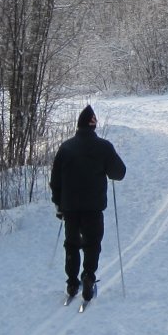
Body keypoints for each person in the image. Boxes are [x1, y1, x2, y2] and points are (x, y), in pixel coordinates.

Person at [49, 104, 126, 305]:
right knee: (92, 243)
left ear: (79, 125)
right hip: (93, 206)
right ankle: (89, 276)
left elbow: (55, 180)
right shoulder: (104, 147)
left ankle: (72, 282)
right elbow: (119, 173)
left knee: (72, 244)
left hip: (70, 207)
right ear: (93, 125)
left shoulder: (66, 147)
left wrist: (58, 203)